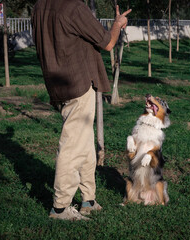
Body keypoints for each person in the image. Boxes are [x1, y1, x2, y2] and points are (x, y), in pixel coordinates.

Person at [31, 0, 131, 221]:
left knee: (84, 141)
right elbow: (107, 43)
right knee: (73, 144)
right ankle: (60, 208)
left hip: (56, 83)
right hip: (78, 83)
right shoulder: (74, 7)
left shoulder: (39, 6)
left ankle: (88, 199)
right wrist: (118, 23)